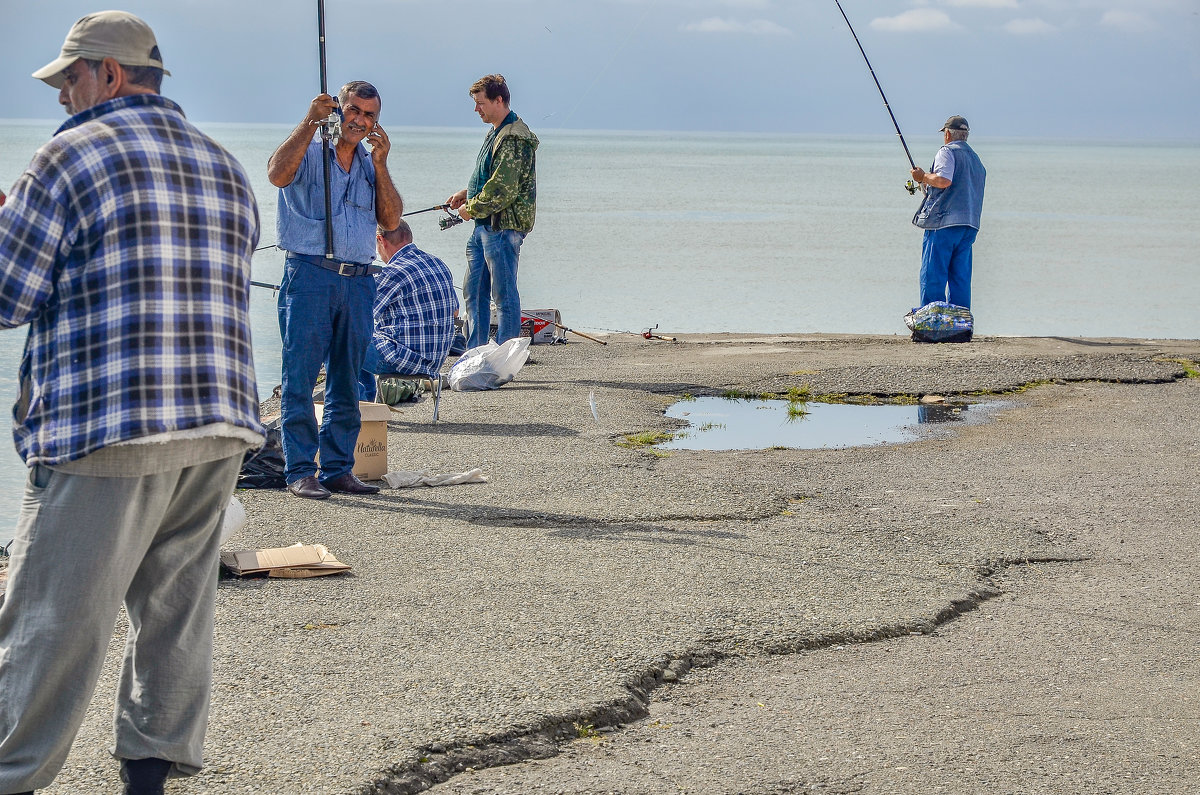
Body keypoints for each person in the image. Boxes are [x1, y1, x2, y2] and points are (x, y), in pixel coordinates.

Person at [0, 11, 264, 795]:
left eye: (69, 80)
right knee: (176, 615)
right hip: (217, 423)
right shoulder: (222, 163)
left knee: (51, 620)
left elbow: (8, 292)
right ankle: (149, 779)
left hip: (107, 428)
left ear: (110, 75)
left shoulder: (69, 156)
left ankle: (10, 773)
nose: (61, 100)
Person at [268, 80, 403, 500]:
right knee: (301, 377)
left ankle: (338, 469)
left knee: (349, 380)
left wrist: (381, 164)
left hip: (359, 279)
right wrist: (310, 120)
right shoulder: (309, 148)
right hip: (310, 274)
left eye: (370, 115)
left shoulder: (367, 162)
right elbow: (276, 173)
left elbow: (391, 221)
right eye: (354, 110)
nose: (360, 121)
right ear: (336, 110)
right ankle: (301, 469)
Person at [446, 74, 538, 349]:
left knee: (503, 293)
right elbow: (492, 177)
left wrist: (470, 208)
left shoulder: (513, 137)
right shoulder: (496, 131)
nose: (477, 109)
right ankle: (475, 349)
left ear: (499, 100)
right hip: (484, 226)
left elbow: (502, 190)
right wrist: (467, 193)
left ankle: (506, 352)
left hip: (502, 227)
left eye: (481, 103)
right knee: (473, 290)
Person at [357, 220, 459, 402]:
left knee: (337, 340)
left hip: (403, 361)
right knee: (356, 338)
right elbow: (455, 312)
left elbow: (358, 313)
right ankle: (365, 405)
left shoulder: (392, 272)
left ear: (381, 240)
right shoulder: (438, 264)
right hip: (435, 361)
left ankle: (356, 407)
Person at [910, 115, 986, 309]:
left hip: (943, 224)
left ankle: (932, 321)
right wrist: (925, 184)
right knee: (960, 278)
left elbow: (944, 180)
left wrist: (923, 176)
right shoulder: (976, 160)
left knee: (933, 274)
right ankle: (959, 324)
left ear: (948, 134)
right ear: (966, 135)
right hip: (969, 225)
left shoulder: (946, 151)